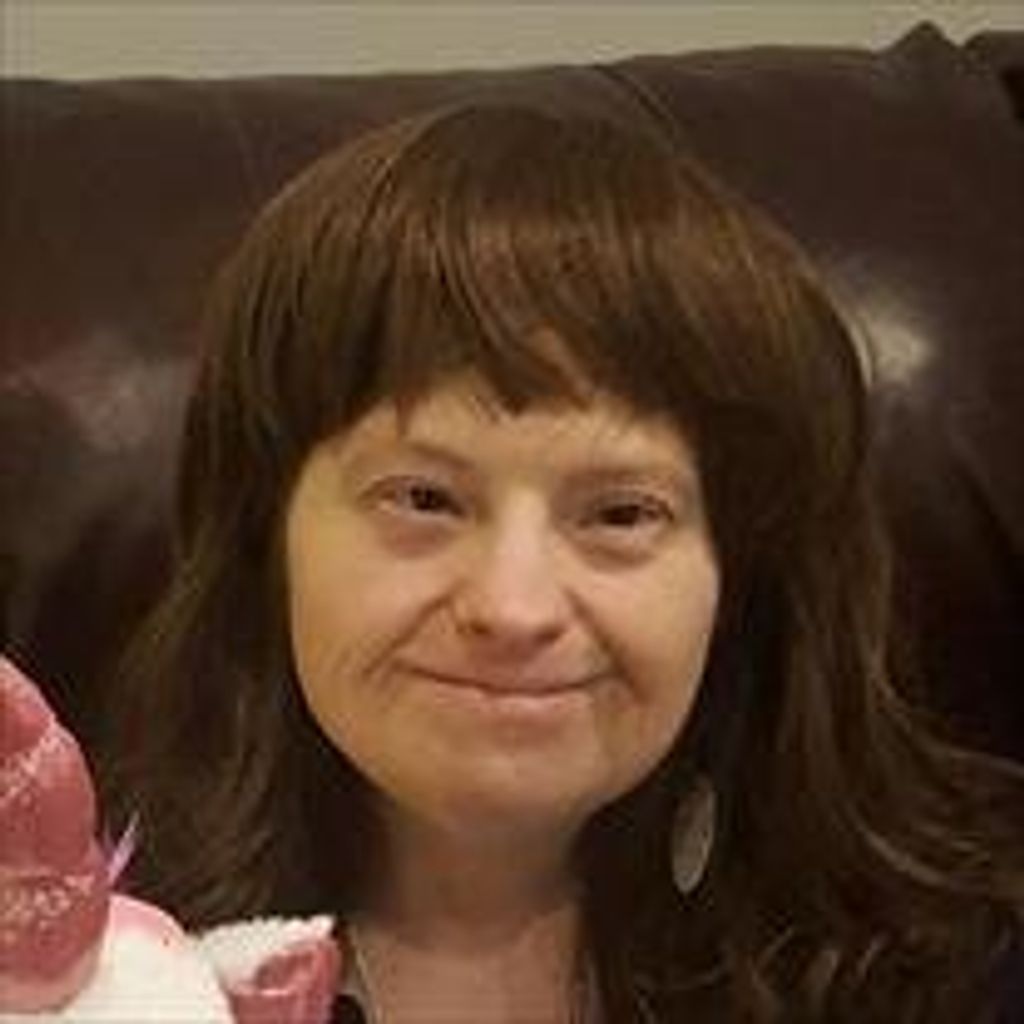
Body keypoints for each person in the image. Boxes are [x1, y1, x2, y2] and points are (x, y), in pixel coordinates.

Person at [101, 103, 1024, 1023]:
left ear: (739, 578)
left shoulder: (959, 960)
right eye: (423, 499)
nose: (514, 608)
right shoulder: (91, 950)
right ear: (265, 537)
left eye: (622, 514)